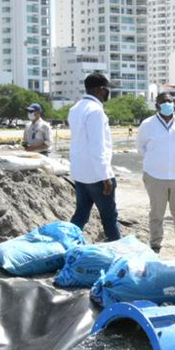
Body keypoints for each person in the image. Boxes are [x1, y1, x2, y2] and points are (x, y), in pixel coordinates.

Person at [138, 93, 175, 256]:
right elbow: (141, 147)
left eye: (170, 101)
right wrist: (156, 161)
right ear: (157, 105)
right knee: (156, 213)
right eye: (164, 102)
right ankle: (155, 245)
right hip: (155, 175)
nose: (168, 104)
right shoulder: (147, 124)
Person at [67, 72, 121, 242]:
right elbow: (97, 147)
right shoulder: (95, 111)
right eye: (107, 90)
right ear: (99, 90)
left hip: (80, 172)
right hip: (96, 174)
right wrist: (106, 176)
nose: (108, 93)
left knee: (81, 214)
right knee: (109, 217)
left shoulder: (75, 108)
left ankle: (65, 244)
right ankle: (117, 249)